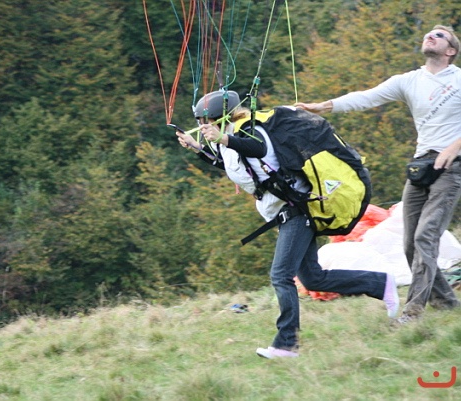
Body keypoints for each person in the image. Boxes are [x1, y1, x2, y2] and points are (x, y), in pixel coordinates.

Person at [175, 89, 399, 359]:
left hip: (296, 211)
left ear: (220, 117)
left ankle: (286, 344)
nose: (201, 126)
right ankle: (380, 283)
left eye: (204, 120)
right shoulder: (231, 138)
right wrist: (197, 147)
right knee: (313, 278)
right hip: (285, 212)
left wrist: (222, 138)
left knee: (281, 276)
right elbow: (234, 164)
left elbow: (257, 148)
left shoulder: (250, 130)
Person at [296, 25, 461, 324]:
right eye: (428, 34)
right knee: (409, 243)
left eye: (439, 36)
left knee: (425, 237)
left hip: (452, 166)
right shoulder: (409, 80)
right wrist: (322, 107)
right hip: (421, 165)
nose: (430, 36)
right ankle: (447, 303)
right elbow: (366, 97)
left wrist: (454, 147)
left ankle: (413, 312)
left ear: (450, 51)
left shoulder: (459, 79)